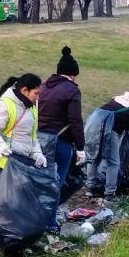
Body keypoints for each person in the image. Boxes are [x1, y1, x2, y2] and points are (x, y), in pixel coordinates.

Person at [36, 46, 83, 234]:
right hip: (59, 143)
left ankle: (33, 216)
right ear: (72, 74)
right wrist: (80, 148)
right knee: (55, 183)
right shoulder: (71, 90)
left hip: (36, 142)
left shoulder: (44, 86)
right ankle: (50, 223)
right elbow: (75, 121)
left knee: (39, 180)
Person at [84, 90, 129, 200]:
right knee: (113, 162)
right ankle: (110, 193)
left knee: (94, 157)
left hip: (93, 123)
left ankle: (90, 189)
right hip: (108, 128)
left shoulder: (120, 99)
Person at [0, 74, 47, 171]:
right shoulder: (4, 105)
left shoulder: (32, 108)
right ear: (25, 90)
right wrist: (0, 145)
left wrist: (37, 153)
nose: (38, 98)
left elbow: (32, 136)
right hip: (4, 165)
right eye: (36, 93)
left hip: (22, 164)